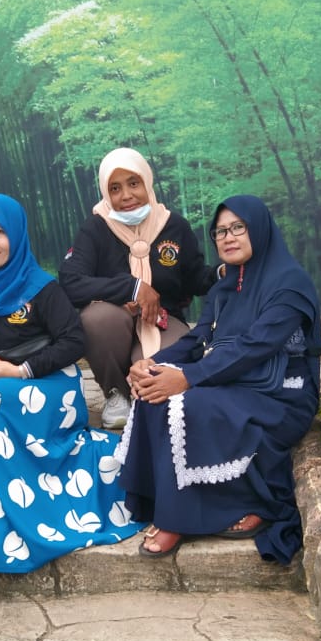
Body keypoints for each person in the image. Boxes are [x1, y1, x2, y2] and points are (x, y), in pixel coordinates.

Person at [0, 193, 144, 574]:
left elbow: (73, 342)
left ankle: (35, 515)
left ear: (16, 236)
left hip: (47, 387)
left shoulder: (41, 288)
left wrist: (20, 372)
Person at [115, 194, 321, 566]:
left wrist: (187, 378)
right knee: (153, 393)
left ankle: (187, 516)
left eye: (237, 228)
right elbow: (198, 339)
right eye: (220, 232)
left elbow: (256, 346)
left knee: (187, 404)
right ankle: (164, 502)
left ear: (258, 229)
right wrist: (152, 364)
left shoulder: (289, 284)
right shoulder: (226, 285)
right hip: (233, 381)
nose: (228, 238)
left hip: (280, 393)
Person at [59, 147, 219, 430]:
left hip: (163, 321)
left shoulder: (173, 226)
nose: (126, 195)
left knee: (159, 380)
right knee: (97, 318)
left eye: (134, 183)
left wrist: (220, 274)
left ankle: (143, 398)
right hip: (114, 324)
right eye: (115, 188)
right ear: (106, 192)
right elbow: (71, 281)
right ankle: (116, 393)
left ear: (147, 181)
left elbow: (194, 277)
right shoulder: (96, 228)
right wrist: (132, 288)